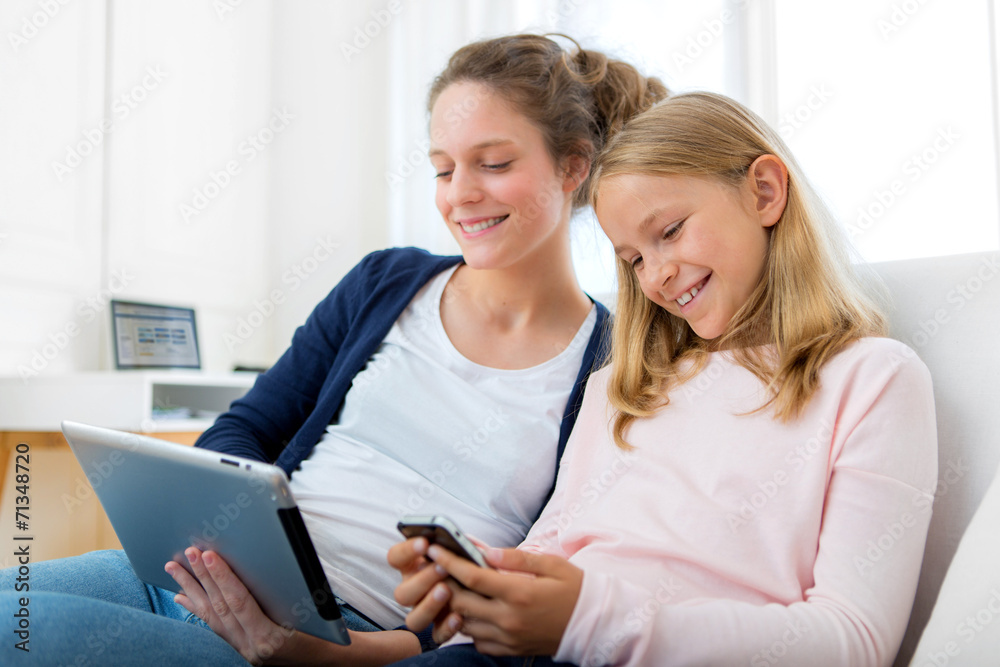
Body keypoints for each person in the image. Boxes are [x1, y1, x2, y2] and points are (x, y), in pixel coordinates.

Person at [0, 35, 667, 666]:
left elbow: (522, 600)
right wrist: (214, 532)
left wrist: (338, 650)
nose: (460, 193)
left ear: (574, 164)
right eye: (442, 168)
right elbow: (249, 426)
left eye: (493, 164)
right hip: (203, 579)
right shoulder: (387, 282)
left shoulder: (613, 369)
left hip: (333, 637)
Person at [388, 91, 938, 667]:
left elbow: (852, 642)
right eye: (633, 260)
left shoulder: (872, 379)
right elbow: (552, 545)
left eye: (670, 231)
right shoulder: (622, 389)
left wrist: (590, 621)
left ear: (765, 192)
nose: (657, 276)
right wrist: (487, 581)